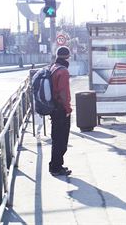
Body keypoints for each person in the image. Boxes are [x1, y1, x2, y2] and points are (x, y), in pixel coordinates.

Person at [49, 46, 72, 176]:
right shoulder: (63, 71)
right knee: (61, 140)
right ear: (68, 56)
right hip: (61, 109)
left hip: (54, 108)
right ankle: (57, 167)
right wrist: (68, 108)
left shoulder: (53, 67)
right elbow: (63, 92)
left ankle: (54, 165)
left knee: (56, 138)